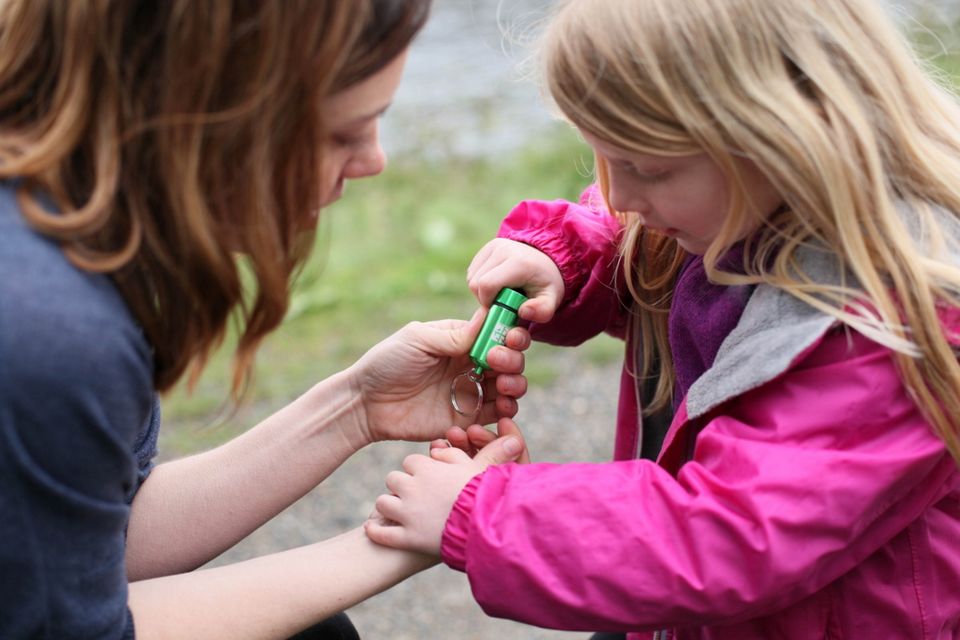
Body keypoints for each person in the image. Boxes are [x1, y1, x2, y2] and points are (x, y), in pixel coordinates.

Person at [365, 0, 960, 637]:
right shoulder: (738, 212)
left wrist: (478, 512)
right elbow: (624, 231)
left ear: (784, 136)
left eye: (648, 168)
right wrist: (561, 261)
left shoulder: (893, 329)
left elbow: (724, 537)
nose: (620, 195)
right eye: (604, 157)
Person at [0, 1, 529, 638]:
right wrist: (412, 536)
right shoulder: (51, 328)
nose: (373, 162)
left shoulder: (63, 223)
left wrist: (356, 405)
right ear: (206, 114)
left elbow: (87, 539)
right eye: (343, 133)